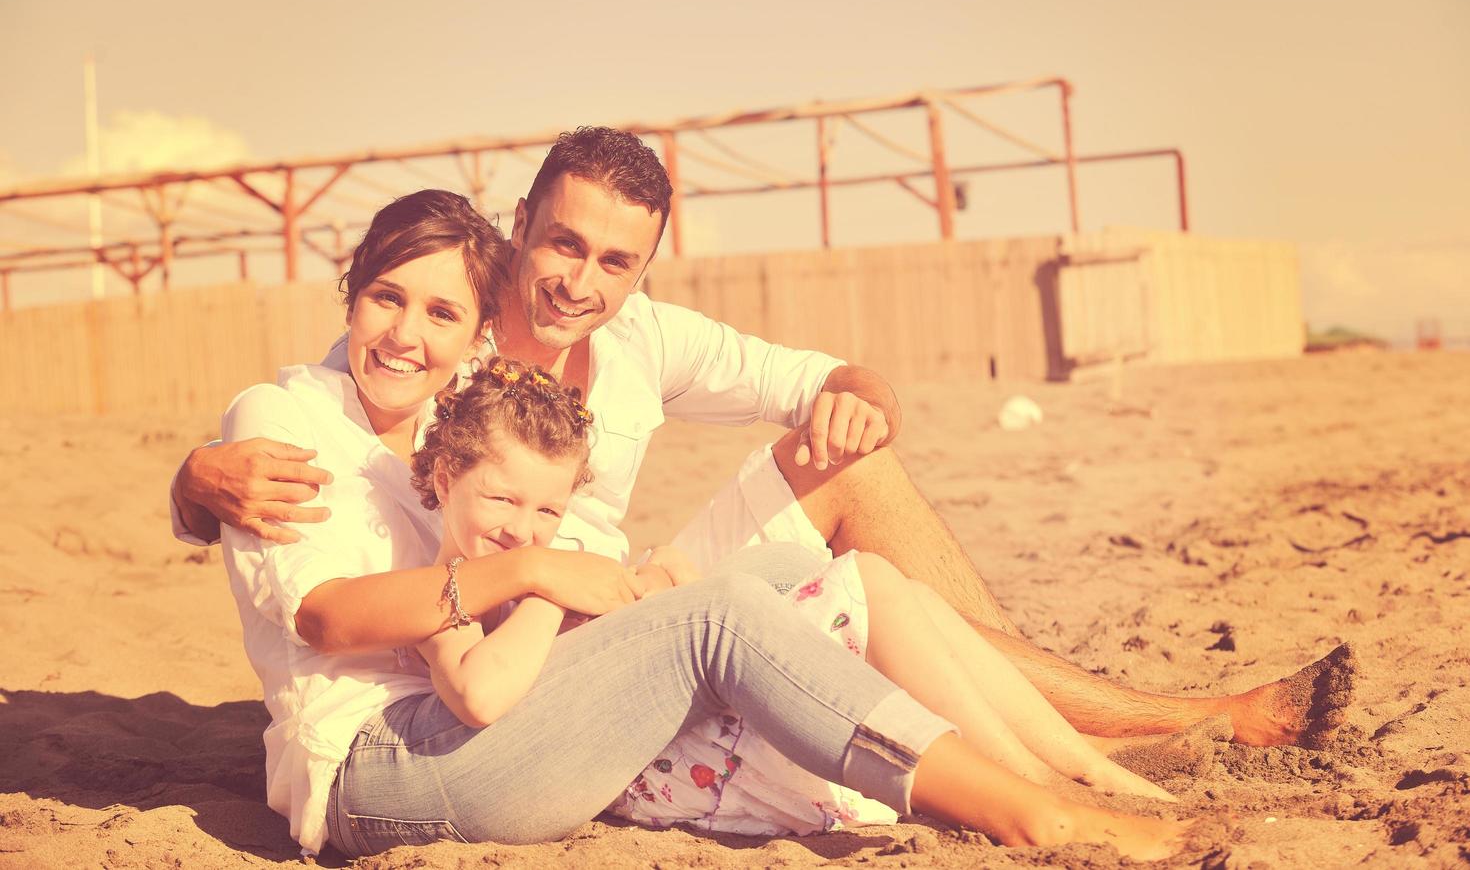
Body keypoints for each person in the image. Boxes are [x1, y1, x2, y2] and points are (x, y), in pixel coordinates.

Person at [174, 126, 1355, 751]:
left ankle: (1145, 714)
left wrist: (858, 397)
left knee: (860, 467)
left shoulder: (643, 339)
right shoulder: (452, 332)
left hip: (634, 589)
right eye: (563, 243)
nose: (580, 281)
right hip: (539, 642)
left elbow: (834, 377)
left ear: (644, 267)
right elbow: (341, 407)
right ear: (521, 223)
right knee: (848, 581)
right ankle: (1181, 721)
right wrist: (192, 480)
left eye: (614, 260)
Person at [218, 187, 1189, 860]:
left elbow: (519, 516)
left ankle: (1057, 769)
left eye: (439, 312)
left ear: (476, 334)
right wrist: (539, 577)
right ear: (349, 292)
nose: (406, 333)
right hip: (374, 770)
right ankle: (1029, 815)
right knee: (715, 616)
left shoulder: (448, 413)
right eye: (387, 297)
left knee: (783, 577)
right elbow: (324, 617)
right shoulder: (284, 414)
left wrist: (581, 587)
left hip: (491, 713)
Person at [409, 356, 1173, 840]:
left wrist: (651, 581)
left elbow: (646, 617)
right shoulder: (445, 594)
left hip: (680, 723)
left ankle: (1074, 763)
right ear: (445, 480)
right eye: (501, 501)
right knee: (850, 599)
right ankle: (1037, 784)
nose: (522, 531)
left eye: (546, 512)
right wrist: (546, 587)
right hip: (656, 771)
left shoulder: (547, 556)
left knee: (872, 578)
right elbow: (482, 692)